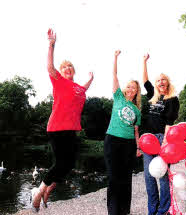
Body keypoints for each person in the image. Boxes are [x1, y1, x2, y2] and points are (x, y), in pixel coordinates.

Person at [31, 28, 94, 212]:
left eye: (70, 67)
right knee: (60, 163)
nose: (67, 68)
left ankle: (48, 190)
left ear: (74, 70)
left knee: (69, 164)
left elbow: (83, 90)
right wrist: (51, 45)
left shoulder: (78, 89)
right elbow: (50, 67)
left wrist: (90, 79)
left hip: (71, 129)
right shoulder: (60, 81)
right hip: (57, 127)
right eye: (64, 66)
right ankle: (39, 193)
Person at [104, 50, 142, 215]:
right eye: (129, 86)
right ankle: (113, 211)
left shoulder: (137, 110)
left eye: (134, 88)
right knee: (113, 177)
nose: (130, 89)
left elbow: (136, 130)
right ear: (125, 89)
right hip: (112, 140)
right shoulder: (118, 97)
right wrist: (115, 58)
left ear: (136, 92)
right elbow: (114, 75)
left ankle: (124, 210)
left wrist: (138, 147)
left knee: (126, 178)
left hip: (128, 144)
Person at [142, 53, 180, 215]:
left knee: (163, 175)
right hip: (148, 140)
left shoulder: (172, 99)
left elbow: (170, 123)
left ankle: (164, 210)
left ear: (167, 82)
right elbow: (145, 81)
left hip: (163, 138)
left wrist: (165, 142)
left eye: (163, 79)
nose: (160, 82)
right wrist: (144, 61)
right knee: (149, 176)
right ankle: (153, 209)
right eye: (158, 80)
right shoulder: (152, 96)